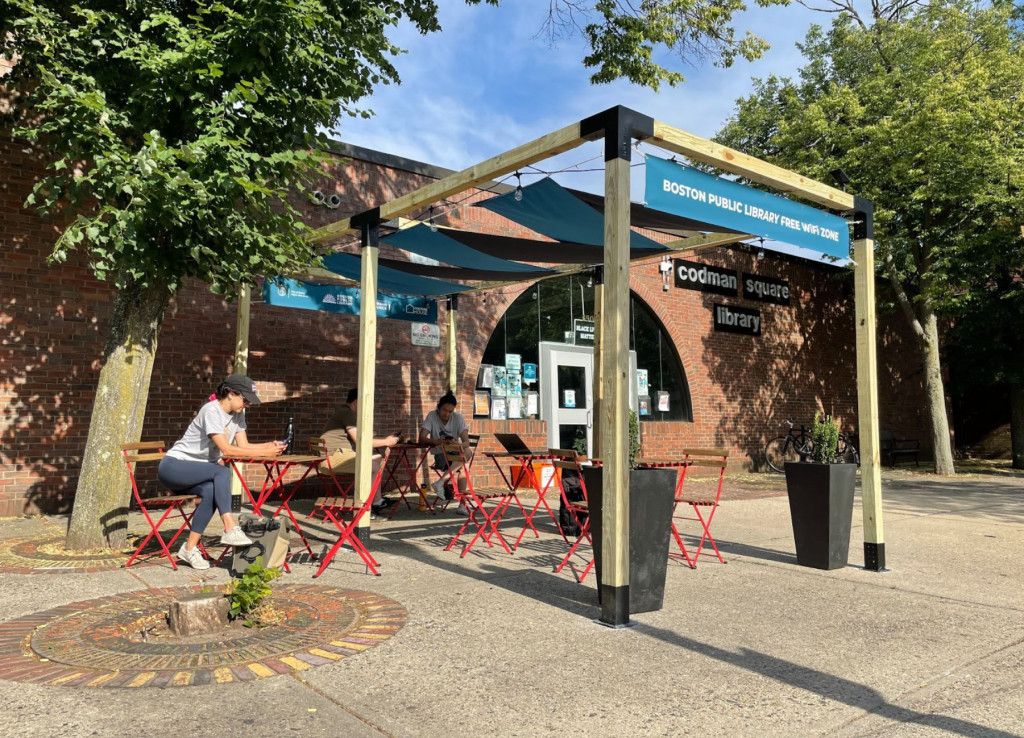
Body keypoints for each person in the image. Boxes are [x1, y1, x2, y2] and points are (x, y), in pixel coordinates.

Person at [158, 374, 285, 570]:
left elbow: (244, 445)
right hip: (175, 467)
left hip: (200, 471)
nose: (247, 405)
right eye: (245, 400)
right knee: (221, 472)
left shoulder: (238, 414)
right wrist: (265, 452)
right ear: (231, 394)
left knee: (210, 492)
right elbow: (227, 451)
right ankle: (230, 526)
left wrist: (269, 446)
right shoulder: (211, 411)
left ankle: (189, 549)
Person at [320, 388, 401, 517]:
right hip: (334, 459)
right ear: (357, 402)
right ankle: (365, 509)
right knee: (373, 466)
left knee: (377, 458)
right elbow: (360, 440)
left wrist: (385, 440)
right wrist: (386, 442)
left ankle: (377, 501)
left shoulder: (344, 412)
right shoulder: (347, 413)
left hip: (338, 456)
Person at [419, 392, 471, 514]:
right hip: (441, 456)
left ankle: (441, 482)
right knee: (465, 465)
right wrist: (436, 441)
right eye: (444, 410)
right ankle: (462, 505)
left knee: (466, 454)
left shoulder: (458, 418)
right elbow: (421, 438)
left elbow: (466, 443)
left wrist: (457, 445)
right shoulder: (432, 416)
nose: (447, 414)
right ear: (438, 407)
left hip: (455, 453)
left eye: (450, 411)